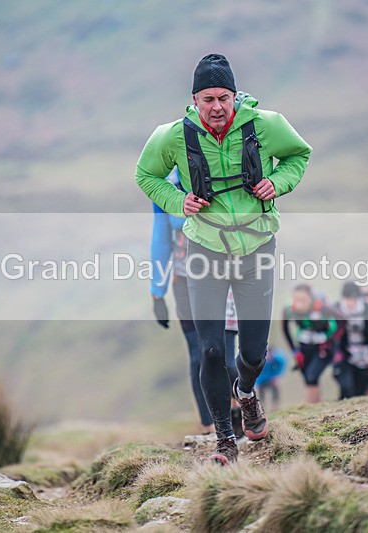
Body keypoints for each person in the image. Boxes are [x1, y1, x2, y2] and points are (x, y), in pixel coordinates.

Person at [137, 53, 311, 464]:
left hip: (256, 249)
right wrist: (179, 202)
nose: (217, 107)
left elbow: (299, 155)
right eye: (208, 98)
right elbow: (145, 176)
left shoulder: (266, 124)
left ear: (234, 96)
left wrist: (277, 183)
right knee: (211, 350)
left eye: (224, 97)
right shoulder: (173, 135)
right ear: (194, 99)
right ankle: (225, 441)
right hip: (204, 252)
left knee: (252, 354)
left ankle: (246, 394)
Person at [150, 168, 242, 437]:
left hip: (224, 281)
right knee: (198, 357)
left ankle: (238, 409)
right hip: (184, 283)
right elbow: (160, 237)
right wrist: (157, 291)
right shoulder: (165, 188)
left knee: (226, 358)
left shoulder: (225, 175)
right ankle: (208, 425)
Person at [282, 284, 340, 403]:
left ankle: (309, 406)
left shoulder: (322, 308)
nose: (299, 304)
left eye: (303, 300)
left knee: (312, 376)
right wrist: (294, 351)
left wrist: (328, 339)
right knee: (308, 379)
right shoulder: (289, 310)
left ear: (311, 299)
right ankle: (317, 405)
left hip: (323, 348)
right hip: (304, 347)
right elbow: (285, 330)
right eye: (296, 300)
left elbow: (341, 321)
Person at [254, 346, 286, 411]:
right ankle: (261, 407)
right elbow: (256, 374)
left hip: (271, 380)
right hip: (261, 381)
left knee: (276, 387)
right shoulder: (260, 362)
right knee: (259, 391)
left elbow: (281, 366)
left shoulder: (277, 360)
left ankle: (275, 405)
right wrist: (257, 383)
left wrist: (277, 376)